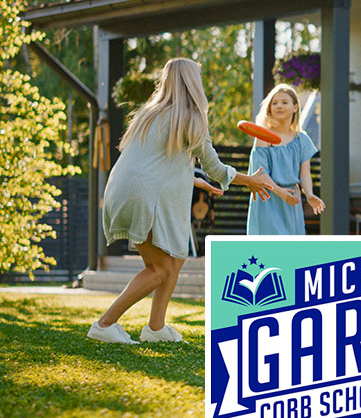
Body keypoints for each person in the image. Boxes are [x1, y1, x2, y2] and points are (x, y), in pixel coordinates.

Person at [89, 58, 277, 344]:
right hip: (145, 197)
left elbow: (152, 163)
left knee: (174, 259)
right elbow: (216, 168)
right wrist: (250, 180)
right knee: (160, 269)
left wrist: (192, 178)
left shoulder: (148, 114)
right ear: (193, 83)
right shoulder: (191, 118)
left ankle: (156, 328)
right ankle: (105, 324)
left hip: (121, 190)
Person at [246, 84, 326, 235]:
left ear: (295, 107)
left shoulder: (302, 139)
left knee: (291, 251)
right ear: (269, 109)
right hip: (268, 198)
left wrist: (309, 194)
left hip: (291, 200)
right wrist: (280, 192)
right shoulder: (263, 137)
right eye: (274, 103)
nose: (279, 106)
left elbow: (305, 174)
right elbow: (260, 174)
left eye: (284, 102)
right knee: (269, 251)